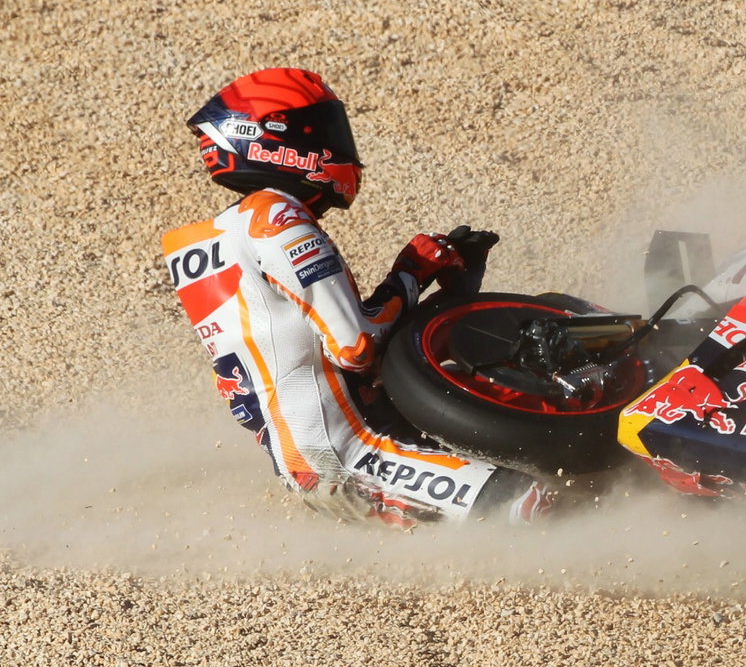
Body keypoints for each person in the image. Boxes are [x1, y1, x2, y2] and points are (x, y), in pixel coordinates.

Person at [161, 67, 552, 527]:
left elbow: (314, 350)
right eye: (320, 130)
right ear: (270, 137)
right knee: (544, 504)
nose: (335, 145)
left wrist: (451, 295)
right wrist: (410, 273)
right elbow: (356, 346)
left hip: (319, 462)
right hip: (358, 455)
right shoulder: (270, 213)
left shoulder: (203, 246)